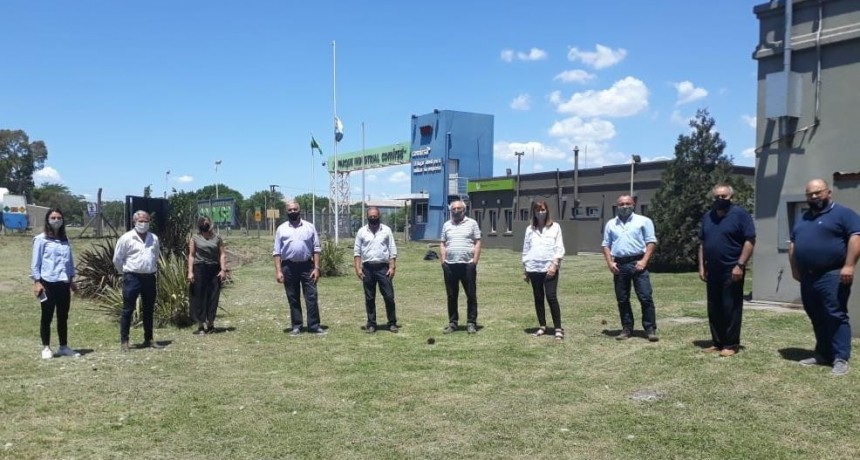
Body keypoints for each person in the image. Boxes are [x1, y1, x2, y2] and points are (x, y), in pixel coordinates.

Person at [789, 178, 860, 376]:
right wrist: (794, 268)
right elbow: (793, 243)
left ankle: (840, 358)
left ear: (828, 193)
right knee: (816, 316)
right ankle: (823, 354)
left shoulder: (844, 214)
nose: (813, 196)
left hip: (833, 274)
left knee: (835, 315)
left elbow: (856, 236)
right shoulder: (803, 218)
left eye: (818, 192)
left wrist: (849, 265)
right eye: (810, 193)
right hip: (808, 277)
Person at [698, 184, 755, 357]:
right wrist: (702, 266)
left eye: (723, 196)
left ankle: (731, 344)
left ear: (731, 197)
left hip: (732, 269)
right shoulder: (708, 217)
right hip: (713, 270)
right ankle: (717, 342)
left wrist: (740, 265)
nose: (720, 200)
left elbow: (750, 240)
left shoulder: (740, 215)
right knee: (714, 307)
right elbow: (702, 243)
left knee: (731, 307)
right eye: (717, 197)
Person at [602, 194, 659, 342]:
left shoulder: (644, 221)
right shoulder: (610, 224)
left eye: (628, 203)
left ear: (633, 205)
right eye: (621, 204)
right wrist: (610, 263)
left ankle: (650, 329)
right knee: (622, 299)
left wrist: (644, 261)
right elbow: (606, 245)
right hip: (620, 264)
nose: (625, 206)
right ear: (617, 206)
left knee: (645, 297)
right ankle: (627, 328)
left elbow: (651, 242)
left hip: (638, 262)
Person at [31, 208, 80, 359]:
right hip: (47, 283)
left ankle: (63, 347)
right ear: (47, 219)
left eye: (59, 217)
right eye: (53, 217)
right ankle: (46, 347)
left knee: (63, 316)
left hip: (63, 283)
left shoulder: (65, 239)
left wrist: (71, 280)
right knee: (47, 316)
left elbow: (69, 261)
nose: (56, 220)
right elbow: (35, 263)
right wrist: (37, 281)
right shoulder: (41, 239)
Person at [113, 210, 164, 351]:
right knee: (127, 309)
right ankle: (125, 341)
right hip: (132, 277)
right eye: (140, 221)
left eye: (146, 221)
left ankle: (149, 339)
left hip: (149, 277)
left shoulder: (153, 238)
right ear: (134, 222)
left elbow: (156, 255)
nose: (143, 223)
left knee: (149, 309)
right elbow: (117, 259)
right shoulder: (126, 238)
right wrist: (123, 273)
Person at [274, 201, 325, 335]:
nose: (292, 212)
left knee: (312, 296)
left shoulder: (309, 227)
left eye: (295, 209)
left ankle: (314, 325)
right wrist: (279, 271)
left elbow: (316, 249)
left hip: (307, 266)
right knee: (293, 297)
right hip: (288, 267)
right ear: (287, 212)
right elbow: (277, 252)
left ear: (299, 210)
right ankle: (297, 325)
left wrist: (317, 268)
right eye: (290, 210)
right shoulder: (281, 229)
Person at [522, 200, 566, 340]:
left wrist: (555, 265)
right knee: (538, 297)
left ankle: (558, 328)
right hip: (534, 268)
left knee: (551, 296)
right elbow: (526, 249)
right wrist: (526, 269)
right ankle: (542, 326)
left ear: (547, 211)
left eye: (543, 210)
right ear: (533, 212)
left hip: (549, 267)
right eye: (538, 210)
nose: (541, 212)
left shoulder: (555, 227)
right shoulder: (530, 229)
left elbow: (559, 247)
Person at [353, 207, 398, 333]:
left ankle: (392, 323)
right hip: (367, 268)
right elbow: (357, 252)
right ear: (367, 217)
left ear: (379, 216)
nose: (373, 218)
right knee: (369, 298)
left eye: (375, 216)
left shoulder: (386, 230)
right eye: (371, 216)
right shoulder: (362, 231)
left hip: (383, 268)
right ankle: (371, 324)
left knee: (389, 296)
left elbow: (392, 250)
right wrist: (357, 268)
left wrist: (392, 266)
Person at [440, 200, 482, 334]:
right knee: (451, 295)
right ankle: (453, 323)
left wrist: (474, 261)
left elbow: (477, 242)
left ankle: (471, 323)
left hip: (467, 265)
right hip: (450, 266)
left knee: (471, 295)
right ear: (450, 210)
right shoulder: (447, 225)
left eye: (459, 208)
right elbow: (442, 243)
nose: (456, 210)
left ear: (464, 210)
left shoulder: (472, 223)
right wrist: (443, 261)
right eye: (454, 208)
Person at [187, 216, 227, 335]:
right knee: (199, 296)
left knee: (213, 296)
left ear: (210, 224)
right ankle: (200, 325)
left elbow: (222, 254)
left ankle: (211, 324)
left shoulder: (217, 238)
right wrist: (190, 271)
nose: (204, 225)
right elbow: (191, 255)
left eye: (206, 223)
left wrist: (223, 269)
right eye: (202, 223)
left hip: (214, 269)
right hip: (199, 268)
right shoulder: (195, 238)